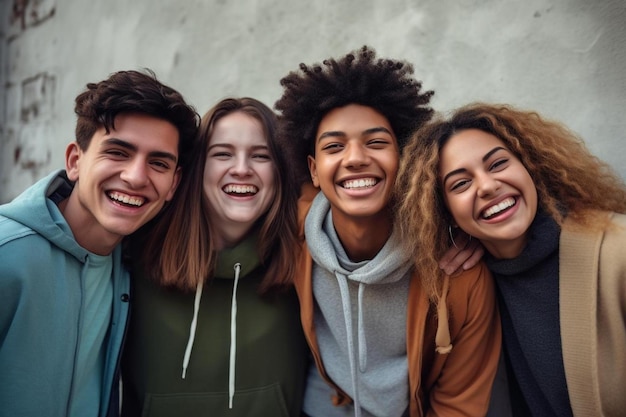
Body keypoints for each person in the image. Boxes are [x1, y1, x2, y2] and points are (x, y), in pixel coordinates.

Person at [274, 46, 501, 417]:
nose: (355, 158)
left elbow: (459, 405)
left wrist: (470, 230)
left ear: (405, 157)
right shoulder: (293, 230)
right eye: (334, 146)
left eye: (376, 142)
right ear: (314, 171)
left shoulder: (460, 273)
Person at [396, 102, 626, 416]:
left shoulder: (617, 250)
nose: (488, 186)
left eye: (498, 164)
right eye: (461, 183)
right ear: (446, 213)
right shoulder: (468, 284)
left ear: (530, 166)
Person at [0, 70, 199, 417]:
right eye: (118, 152)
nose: (136, 177)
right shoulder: (7, 252)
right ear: (75, 161)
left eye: (158, 162)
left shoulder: (131, 264)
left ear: (173, 184)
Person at [121, 97, 309, 417]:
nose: (241, 169)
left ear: (281, 171)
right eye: (222, 154)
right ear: (196, 169)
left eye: (261, 156)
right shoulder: (133, 257)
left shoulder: (303, 264)